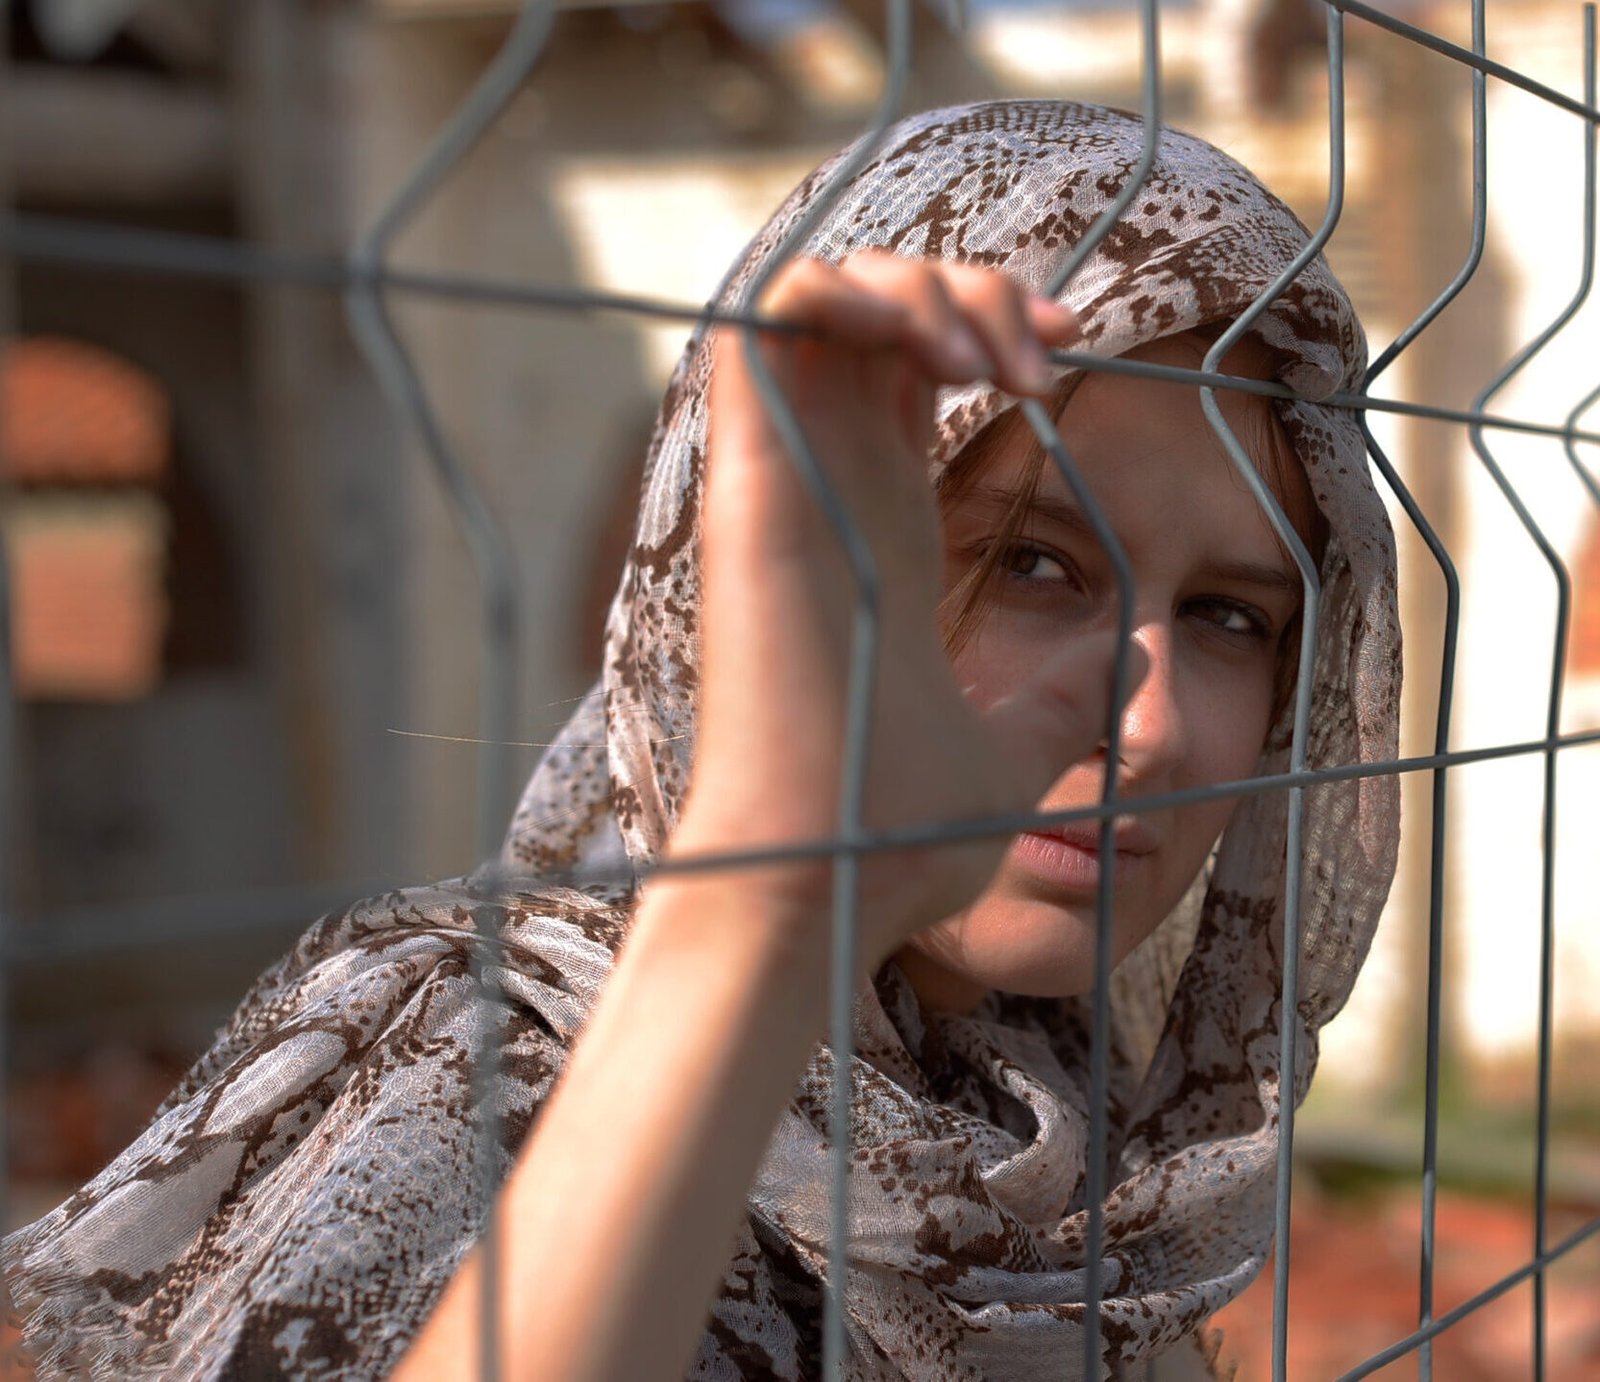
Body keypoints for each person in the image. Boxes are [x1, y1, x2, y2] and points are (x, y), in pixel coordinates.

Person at [3, 100, 1400, 1381]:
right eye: (1034, 564)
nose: (1151, 726)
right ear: (744, 575)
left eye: (1231, 613)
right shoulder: (482, 1090)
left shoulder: (1049, 1101)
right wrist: (772, 896)